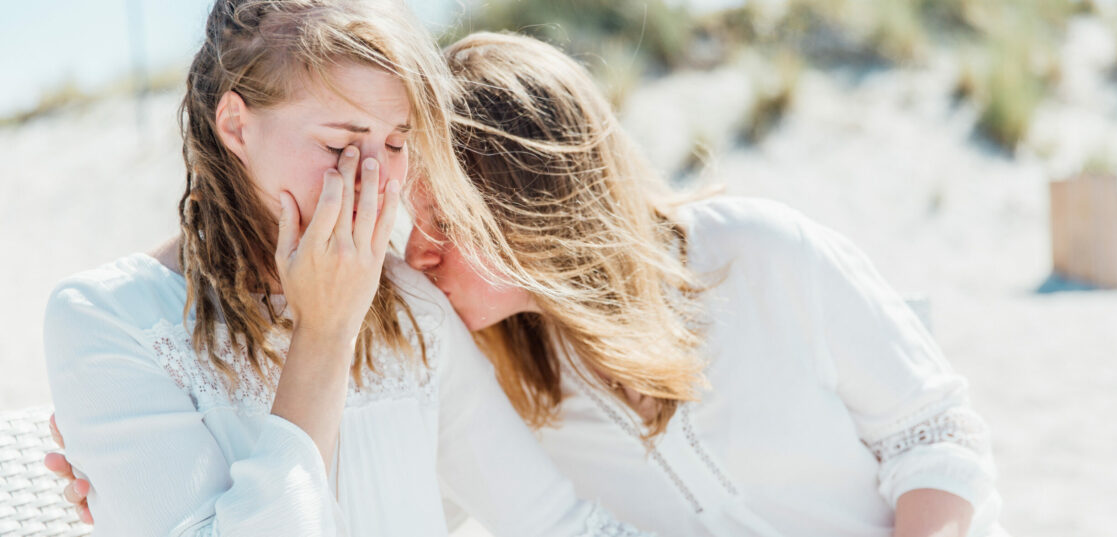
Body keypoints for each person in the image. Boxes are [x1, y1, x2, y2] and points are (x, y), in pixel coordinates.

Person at [48, 29, 1006, 537]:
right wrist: (162, 486)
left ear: (535, 217)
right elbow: (411, 491)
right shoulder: (481, 352)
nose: (400, 234)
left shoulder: (754, 253)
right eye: (347, 149)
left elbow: (935, 435)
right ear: (233, 126)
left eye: (442, 221)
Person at [40, 2, 647, 535]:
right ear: (235, 125)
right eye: (339, 144)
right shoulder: (107, 320)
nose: (376, 178)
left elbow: (559, 525)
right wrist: (325, 334)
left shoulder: (415, 307)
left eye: (395, 142)